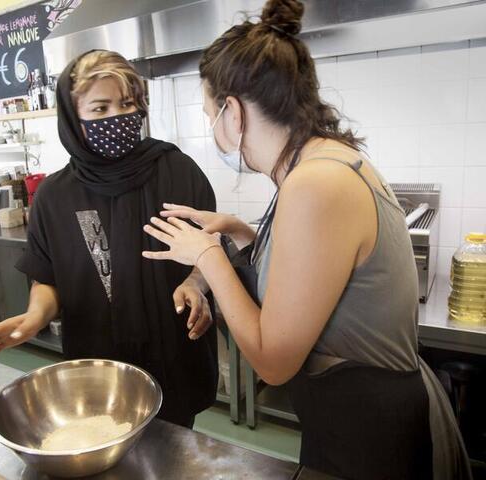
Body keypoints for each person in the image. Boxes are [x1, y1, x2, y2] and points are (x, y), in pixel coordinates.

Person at [142, 0, 472, 478]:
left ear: (233, 113)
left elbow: (273, 362)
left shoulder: (316, 184)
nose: (214, 130)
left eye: (210, 115)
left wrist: (209, 256)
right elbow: (315, 279)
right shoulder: (319, 164)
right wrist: (241, 233)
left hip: (373, 435)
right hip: (349, 419)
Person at [0, 50, 218, 428]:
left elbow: (209, 252)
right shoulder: (55, 196)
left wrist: (196, 284)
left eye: (127, 104)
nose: (116, 118)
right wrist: (35, 316)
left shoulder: (178, 171)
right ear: (73, 118)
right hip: (97, 368)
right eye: (99, 109)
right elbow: (47, 278)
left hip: (174, 356)